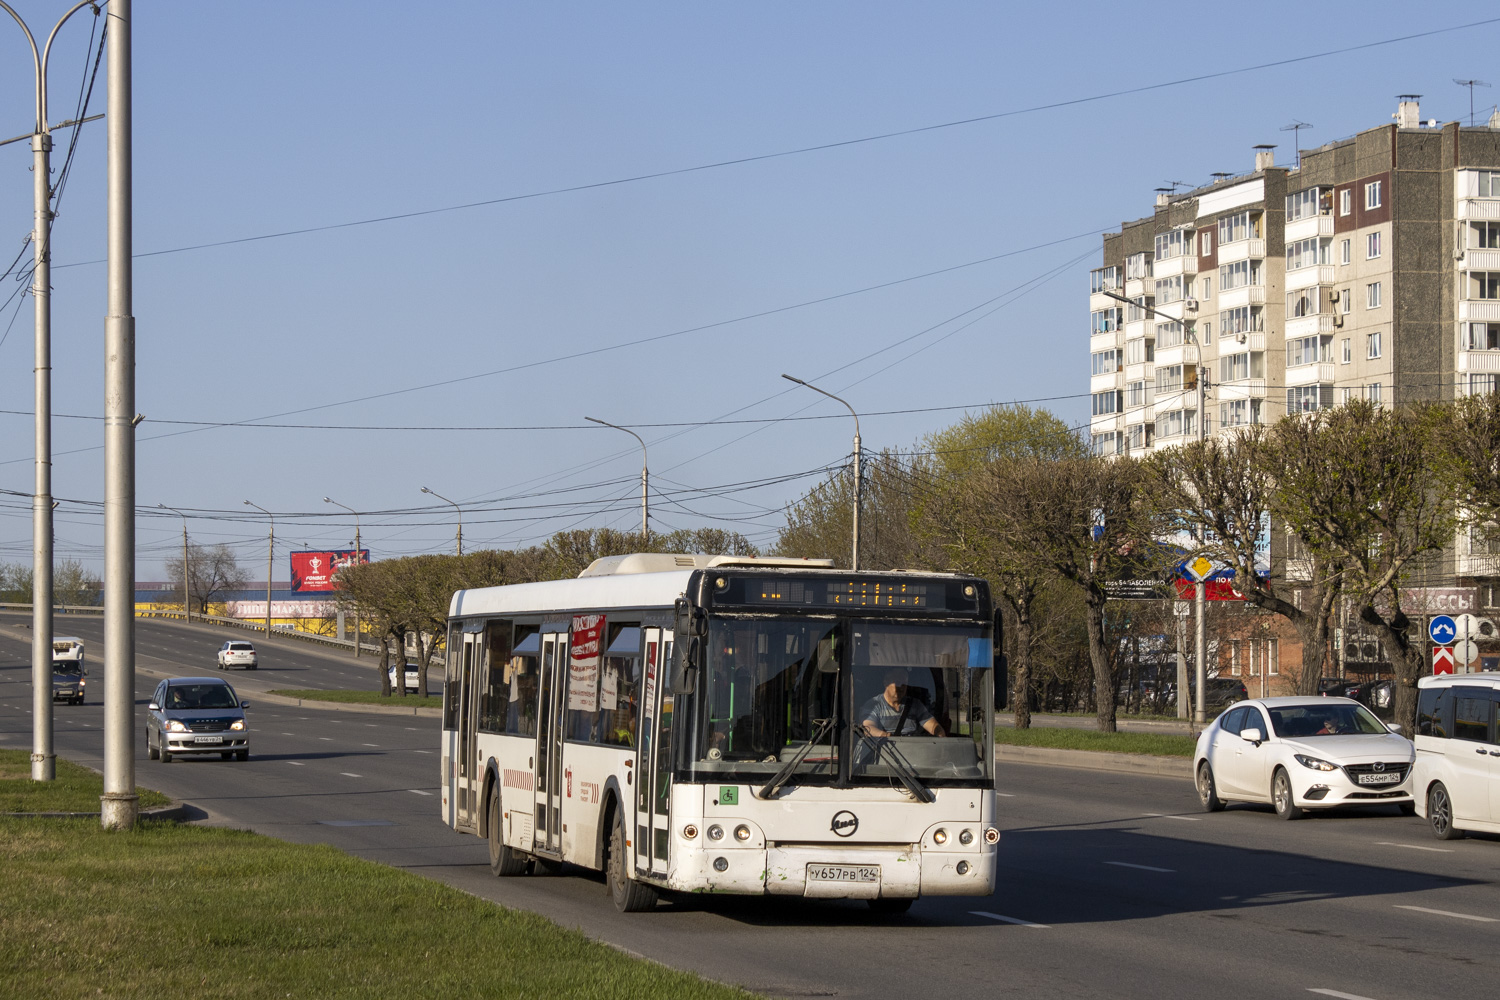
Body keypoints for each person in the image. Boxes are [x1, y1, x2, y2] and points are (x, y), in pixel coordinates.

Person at [860, 668, 944, 738]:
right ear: (886, 682)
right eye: (897, 682)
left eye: (904, 683)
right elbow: (868, 729)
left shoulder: (915, 705)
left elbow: (933, 726)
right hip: (884, 752)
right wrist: (886, 736)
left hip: (913, 752)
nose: (901, 687)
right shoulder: (874, 704)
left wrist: (940, 735)